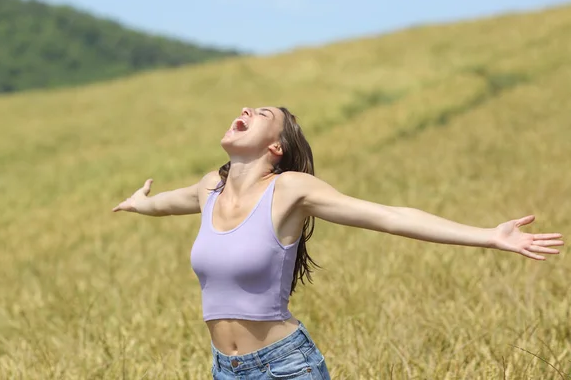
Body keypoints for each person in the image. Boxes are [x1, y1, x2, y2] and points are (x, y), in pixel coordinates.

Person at [112, 106, 564, 380]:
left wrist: (489, 236)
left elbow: (388, 217)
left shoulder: (290, 189)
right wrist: (141, 203)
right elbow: (169, 202)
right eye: (246, 109)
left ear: (276, 148)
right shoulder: (210, 187)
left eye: (262, 115)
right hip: (224, 369)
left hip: (285, 367)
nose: (246, 110)